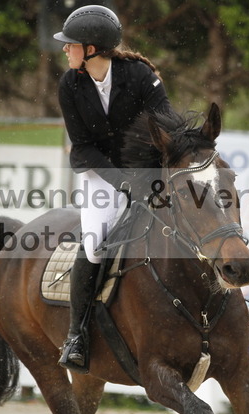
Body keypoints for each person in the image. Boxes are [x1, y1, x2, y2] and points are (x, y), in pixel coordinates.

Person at [54, 4, 171, 372]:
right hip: (99, 173)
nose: (65, 49)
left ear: (91, 49)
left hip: (147, 170)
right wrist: (123, 182)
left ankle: (227, 303)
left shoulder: (140, 77)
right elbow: (84, 146)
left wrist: (148, 179)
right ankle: (76, 334)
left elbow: (166, 126)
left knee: (188, 224)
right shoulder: (69, 85)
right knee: (94, 243)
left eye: (71, 44)